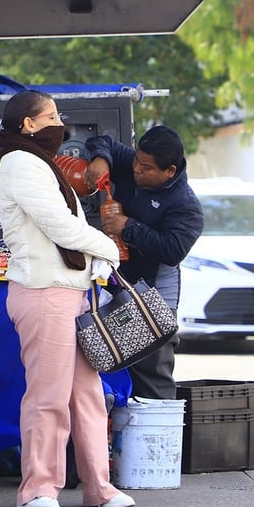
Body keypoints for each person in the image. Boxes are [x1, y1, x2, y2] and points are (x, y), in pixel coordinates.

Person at [0, 90, 133, 507]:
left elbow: (69, 227)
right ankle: (38, 488)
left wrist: (97, 261)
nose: (59, 122)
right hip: (43, 291)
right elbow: (60, 227)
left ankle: (99, 486)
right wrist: (108, 247)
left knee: (87, 396)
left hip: (69, 291)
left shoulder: (41, 164)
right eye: (50, 115)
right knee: (48, 396)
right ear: (28, 125)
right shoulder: (20, 163)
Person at [85, 126, 204, 400]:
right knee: (109, 362)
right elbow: (103, 141)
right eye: (137, 160)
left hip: (154, 295)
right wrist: (101, 158)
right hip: (116, 285)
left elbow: (172, 250)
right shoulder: (134, 163)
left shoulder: (185, 205)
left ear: (169, 171)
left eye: (146, 167)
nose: (136, 169)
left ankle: (160, 437)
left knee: (151, 371)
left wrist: (128, 228)